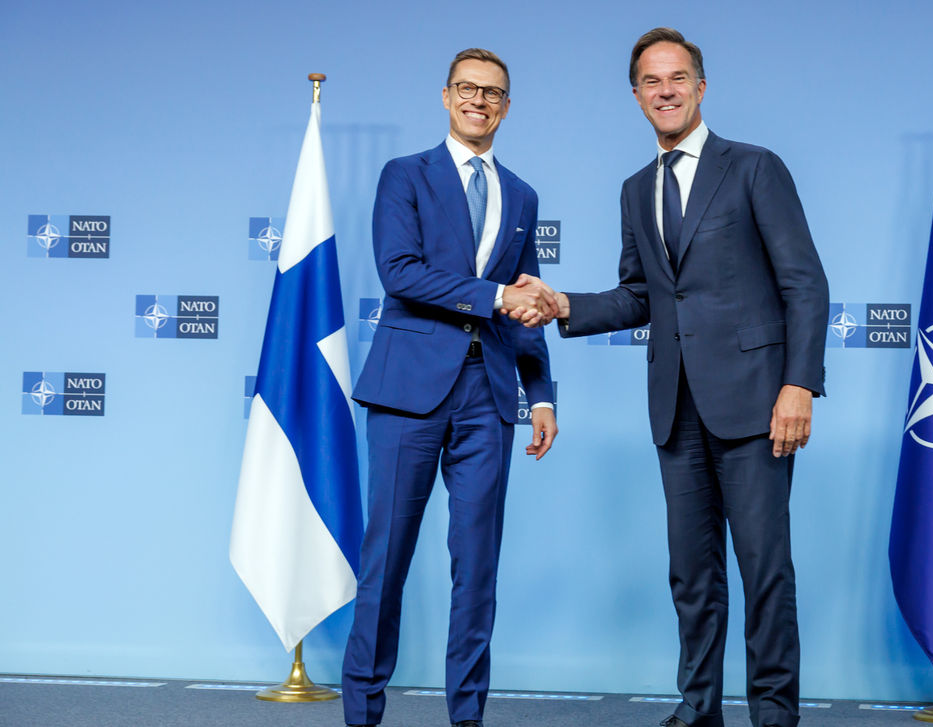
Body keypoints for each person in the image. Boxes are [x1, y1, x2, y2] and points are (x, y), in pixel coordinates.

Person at [513, 27, 828, 727]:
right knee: (692, 576)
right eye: (651, 82)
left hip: (756, 403)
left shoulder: (754, 168)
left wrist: (799, 383)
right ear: (636, 96)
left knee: (764, 570)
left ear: (700, 87)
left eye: (677, 78)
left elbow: (804, 282)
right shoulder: (635, 190)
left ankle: (775, 714)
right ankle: (699, 710)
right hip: (675, 408)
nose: (665, 91)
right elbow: (641, 296)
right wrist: (565, 304)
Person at [341, 48, 560, 727]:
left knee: (478, 567)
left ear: (507, 105)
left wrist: (542, 391)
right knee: (387, 560)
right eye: (468, 88)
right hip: (408, 391)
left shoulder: (521, 194)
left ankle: (467, 716)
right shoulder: (404, 176)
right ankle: (363, 713)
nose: (479, 100)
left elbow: (524, 306)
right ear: (445, 96)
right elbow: (401, 273)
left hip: (488, 398)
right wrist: (495, 295)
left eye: (493, 92)